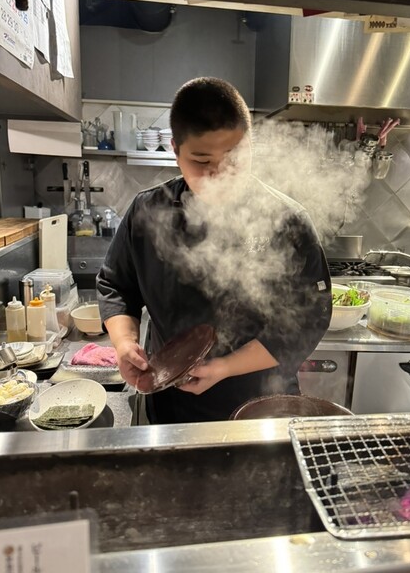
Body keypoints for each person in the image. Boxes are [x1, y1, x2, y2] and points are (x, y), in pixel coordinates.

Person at [97, 77, 331, 424]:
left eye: (234, 159)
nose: (221, 175)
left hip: (260, 404)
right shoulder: (147, 212)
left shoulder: (287, 221)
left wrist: (224, 367)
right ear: (175, 150)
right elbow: (117, 285)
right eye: (202, 161)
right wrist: (124, 344)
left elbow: (307, 320)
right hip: (171, 401)